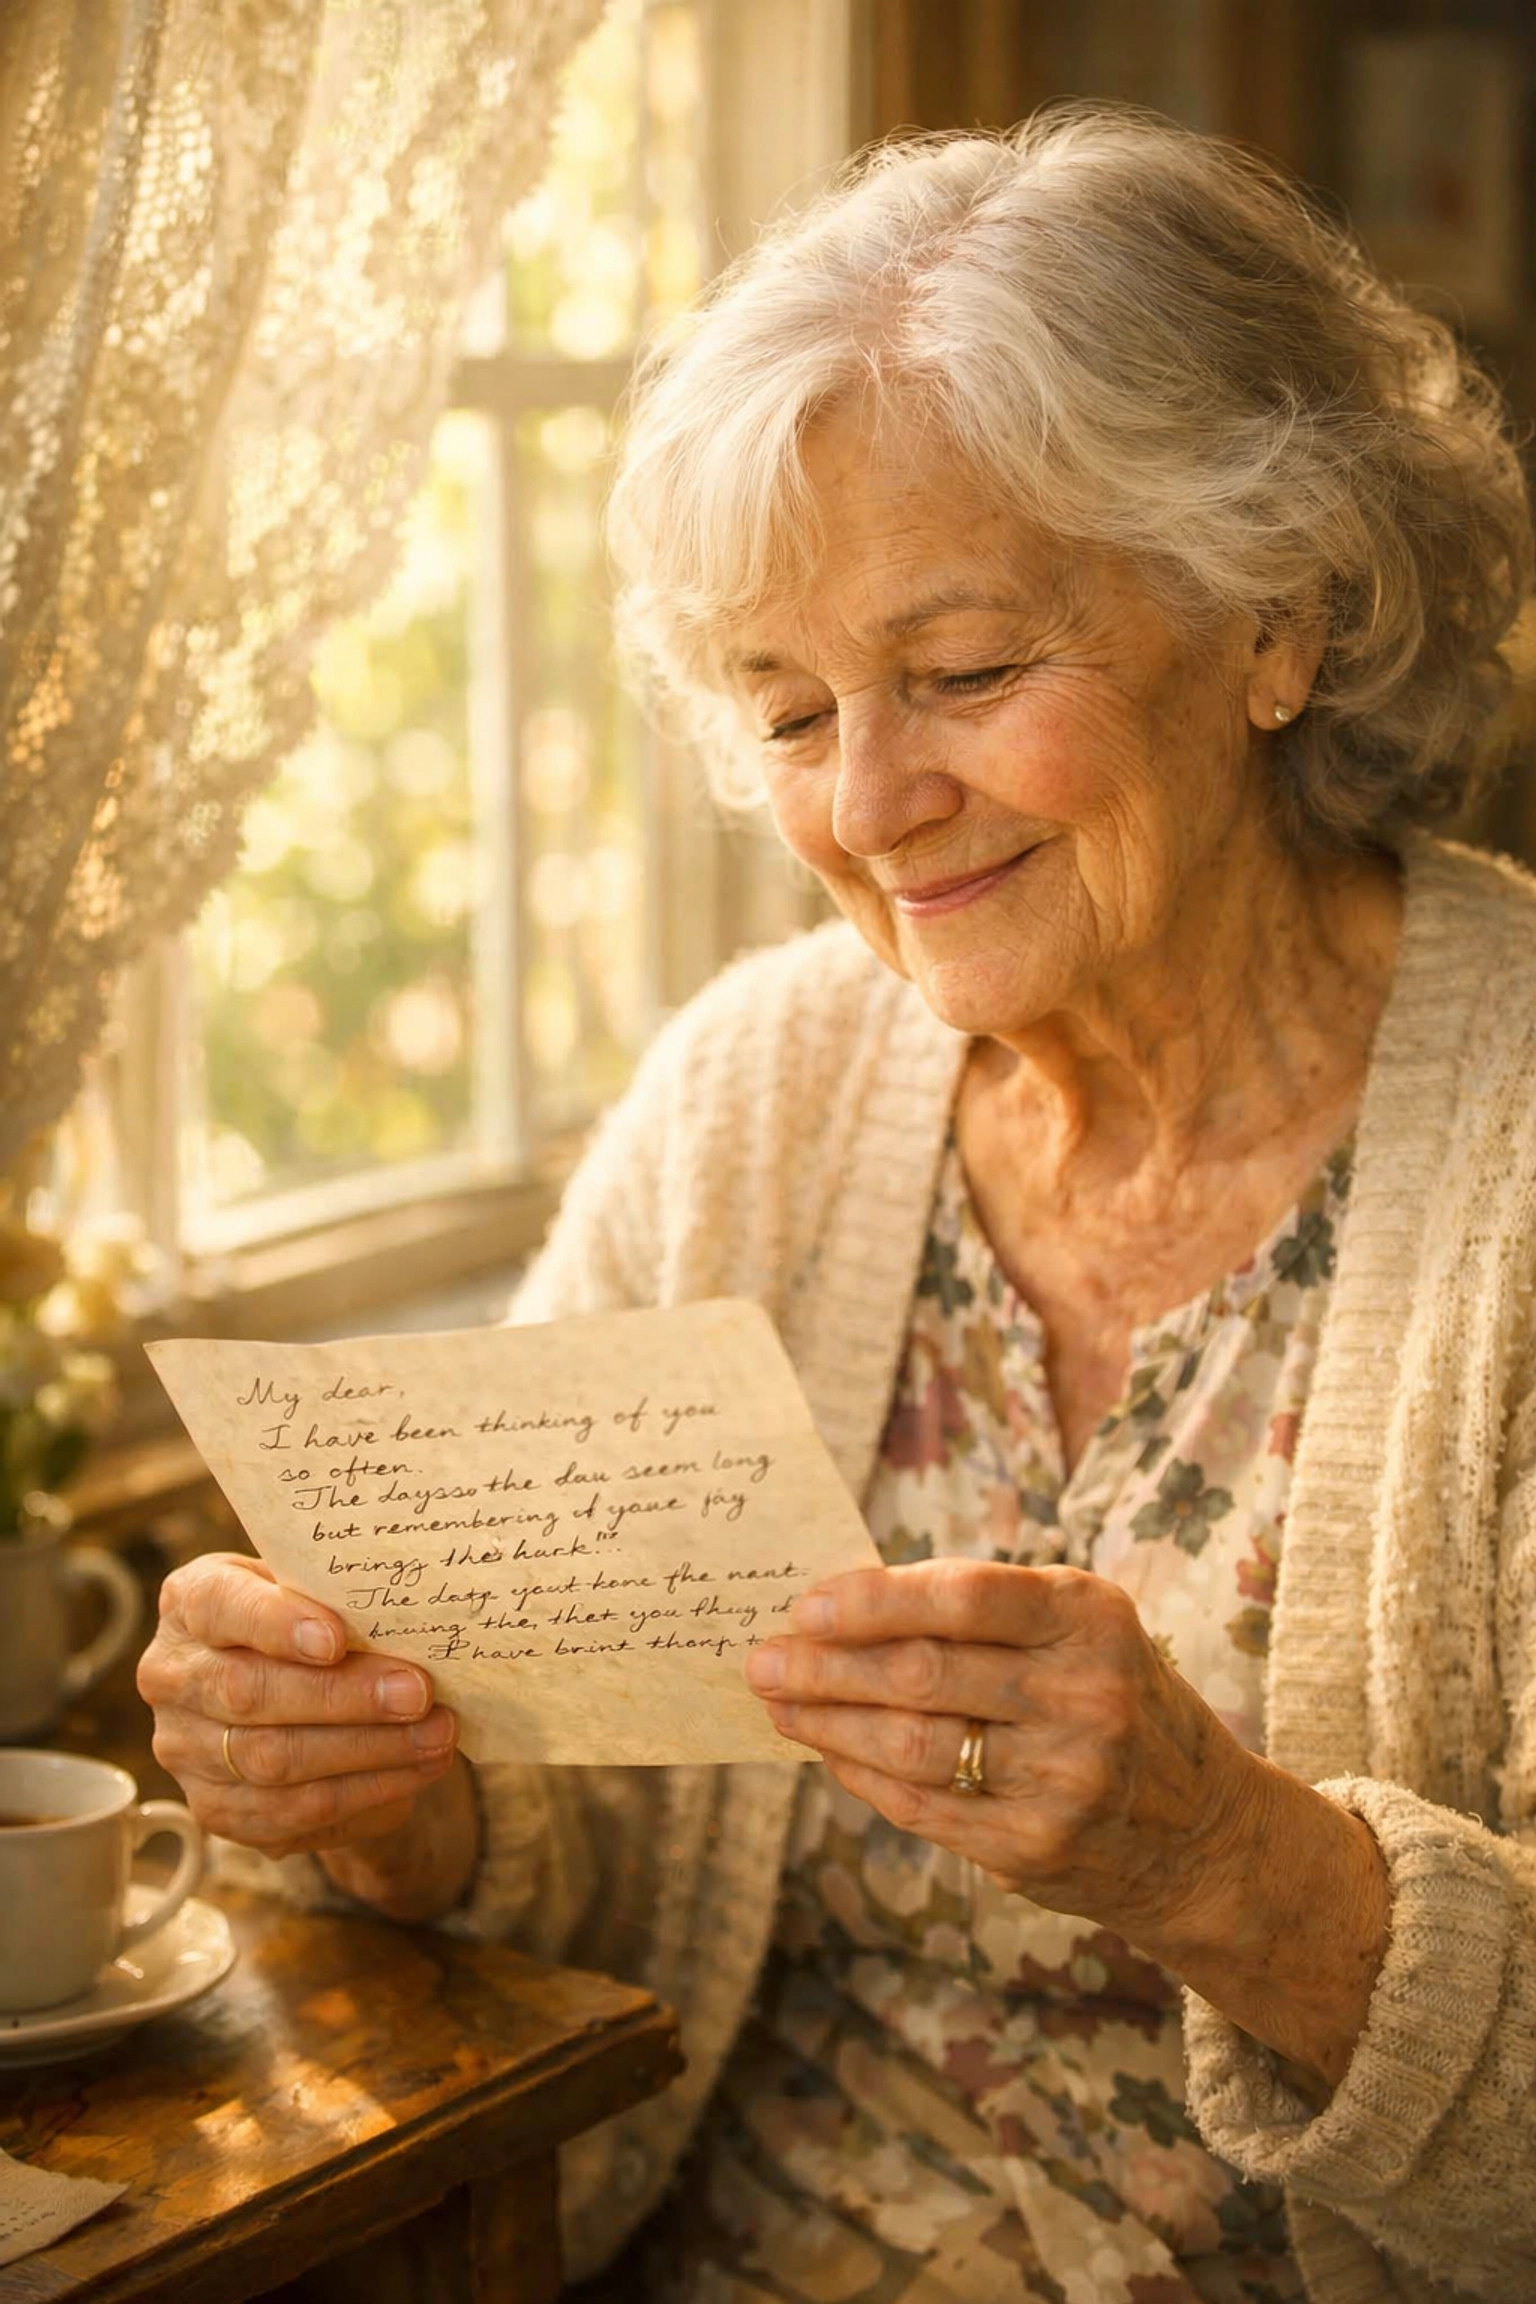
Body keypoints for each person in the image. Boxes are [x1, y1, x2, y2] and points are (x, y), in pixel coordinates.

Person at [138, 108, 1536, 2303]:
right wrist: (403, 1796)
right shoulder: (755, 1100)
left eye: (968, 673)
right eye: (790, 712)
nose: (871, 806)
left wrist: (1234, 1867)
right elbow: (577, 1830)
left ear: (1280, 617)